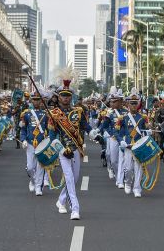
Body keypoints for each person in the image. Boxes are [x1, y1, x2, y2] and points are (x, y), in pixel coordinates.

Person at [48, 75, 93, 220]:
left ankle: (61, 200)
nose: (66, 98)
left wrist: (95, 134)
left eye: (68, 96)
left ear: (71, 97)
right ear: (59, 97)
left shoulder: (78, 112)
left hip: (76, 148)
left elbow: (85, 126)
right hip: (63, 150)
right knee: (68, 177)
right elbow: (52, 137)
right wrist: (61, 150)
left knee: (74, 179)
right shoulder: (54, 114)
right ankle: (75, 208)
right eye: (63, 96)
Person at [117, 88, 148, 198]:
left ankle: (137, 188)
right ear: (128, 104)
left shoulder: (143, 118)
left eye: (135, 103)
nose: (134, 106)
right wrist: (121, 141)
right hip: (128, 146)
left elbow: (146, 132)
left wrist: (148, 135)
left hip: (138, 146)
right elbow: (119, 133)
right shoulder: (123, 118)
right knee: (128, 168)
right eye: (132, 103)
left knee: (138, 168)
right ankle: (128, 182)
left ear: (138, 104)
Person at [19, 89, 49, 196]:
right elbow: (23, 129)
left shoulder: (46, 114)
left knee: (40, 166)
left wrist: (49, 141)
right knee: (30, 167)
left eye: (38, 100)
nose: (36, 102)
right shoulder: (26, 114)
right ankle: (32, 180)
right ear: (32, 101)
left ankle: (38, 187)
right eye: (34, 100)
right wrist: (23, 140)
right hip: (30, 142)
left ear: (41, 102)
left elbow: (48, 130)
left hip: (42, 143)